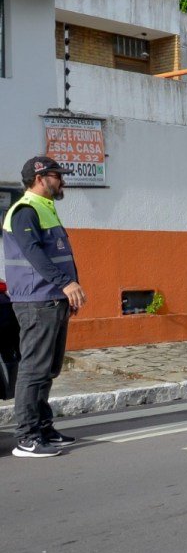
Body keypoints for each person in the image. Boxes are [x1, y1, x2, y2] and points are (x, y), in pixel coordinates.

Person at [2, 156, 86, 458]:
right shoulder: (25, 210)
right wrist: (66, 284)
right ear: (41, 178)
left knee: (48, 369)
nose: (61, 181)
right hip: (37, 300)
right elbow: (34, 254)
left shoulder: (45, 208)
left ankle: (43, 426)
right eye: (57, 176)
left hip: (53, 299)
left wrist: (67, 292)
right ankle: (26, 436)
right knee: (34, 369)